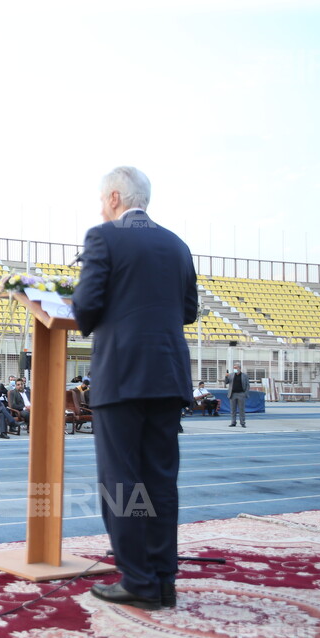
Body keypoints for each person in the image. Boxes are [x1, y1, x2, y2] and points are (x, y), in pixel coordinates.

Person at [71, 166, 197, 610]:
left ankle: (139, 580)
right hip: (166, 375)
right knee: (160, 480)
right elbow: (189, 311)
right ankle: (164, 578)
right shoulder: (177, 245)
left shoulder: (103, 237)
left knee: (123, 483)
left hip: (122, 376)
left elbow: (84, 312)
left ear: (113, 197)